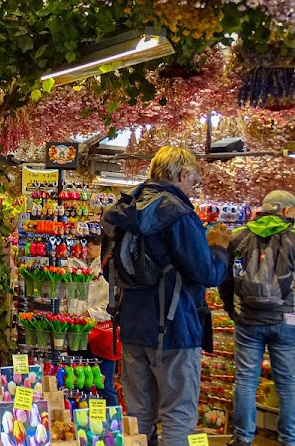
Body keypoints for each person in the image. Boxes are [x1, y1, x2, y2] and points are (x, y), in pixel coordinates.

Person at [101, 146, 230, 446]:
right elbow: (207, 272)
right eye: (194, 182)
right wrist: (220, 249)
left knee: (137, 416)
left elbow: (110, 270)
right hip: (175, 330)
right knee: (177, 415)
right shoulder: (177, 213)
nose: (193, 189)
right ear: (182, 174)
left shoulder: (126, 209)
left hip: (132, 327)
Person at [220, 190, 295, 446]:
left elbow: (225, 279)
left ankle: (242, 437)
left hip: (247, 320)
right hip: (287, 320)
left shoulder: (239, 236)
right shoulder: (293, 238)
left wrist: (232, 310)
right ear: (286, 211)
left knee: (245, 380)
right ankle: (289, 438)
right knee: (287, 383)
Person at [68, 241, 117, 405]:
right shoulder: (75, 264)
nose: (86, 247)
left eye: (92, 244)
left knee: (103, 384)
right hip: (80, 333)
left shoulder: (109, 269)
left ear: (100, 247)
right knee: (80, 383)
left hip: (102, 335)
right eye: (85, 243)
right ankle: (84, 422)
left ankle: (112, 423)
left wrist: (90, 313)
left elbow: (112, 304)